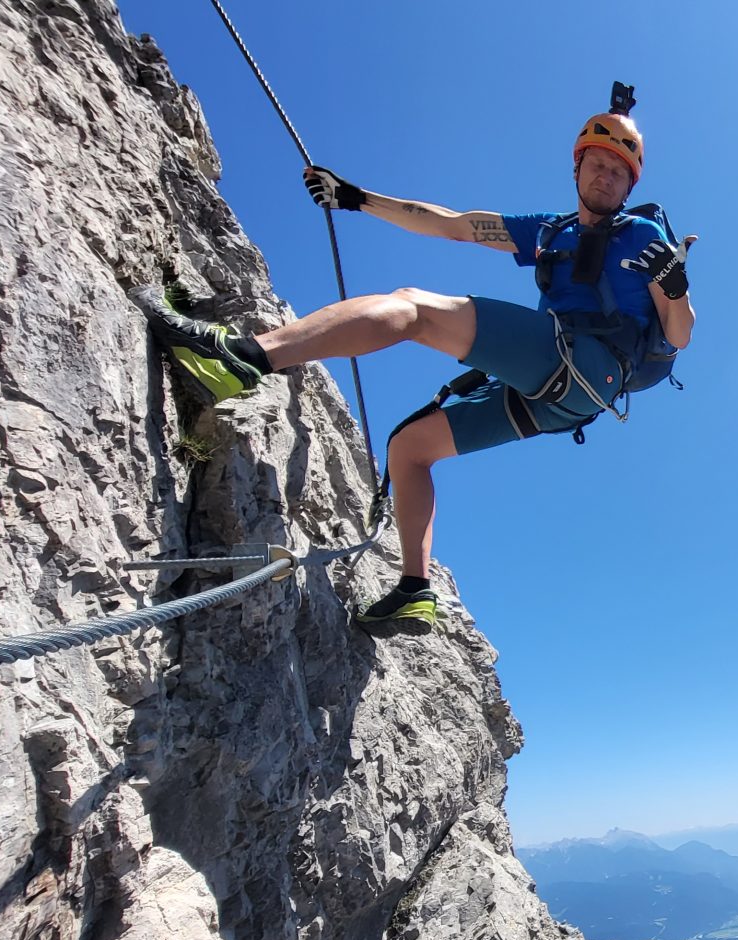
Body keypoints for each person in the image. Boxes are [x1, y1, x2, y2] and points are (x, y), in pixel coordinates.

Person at [132, 90, 696, 629]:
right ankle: (413, 589)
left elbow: (680, 334)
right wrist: (358, 199)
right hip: (558, 399)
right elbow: (451, 224)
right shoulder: (550, 231)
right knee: (409, 449)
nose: (606, 175)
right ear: (577, 169)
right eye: (597, 163)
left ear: (629, 187)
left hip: (584, 364)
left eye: (618, 171)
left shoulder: (642, 235)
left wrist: (675, 288)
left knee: (412, 308)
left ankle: (247, 357)